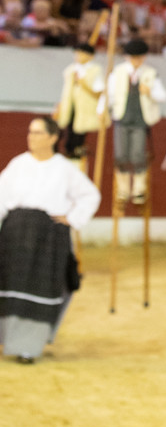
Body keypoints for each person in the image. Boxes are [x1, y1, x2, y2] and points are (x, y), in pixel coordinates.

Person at [0, 116, 100, 362]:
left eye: (37, 133)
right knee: (8, 287)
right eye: (30, 132)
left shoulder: (64, 168)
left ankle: (27, 348)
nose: (31, 137)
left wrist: (72, 218)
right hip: (14, 235)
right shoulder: (18, 164)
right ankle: (7, 339)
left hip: (47, 238)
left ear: (53, 138)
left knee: (40, 288)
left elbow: (90, 195)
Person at [107, 38, 166, 206]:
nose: (135, 60)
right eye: (132, 57)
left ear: (144, 57)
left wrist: (150, 92)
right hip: (122, 117)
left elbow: (163, 96)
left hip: (140, 119)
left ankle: (139, 189)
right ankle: (123, 189)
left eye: (138, 57)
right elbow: (110, 94)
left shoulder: (150, 73)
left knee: (137, 154)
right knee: (120, 154)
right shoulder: (118, 72)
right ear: (127, 57)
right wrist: (101, 110)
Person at [55, 41, 104, 163]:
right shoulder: (71, 70)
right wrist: (60, 105)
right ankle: (67, 154)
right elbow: (66, 91)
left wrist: (83, 84)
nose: (78, 56)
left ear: (90, 56)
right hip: (70, 106)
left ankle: (75, 157)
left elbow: (99, 93)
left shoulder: (95, 70)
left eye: (81, 53)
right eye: (77, 53)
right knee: (65, 133)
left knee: (78, 136)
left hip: (85, 109)